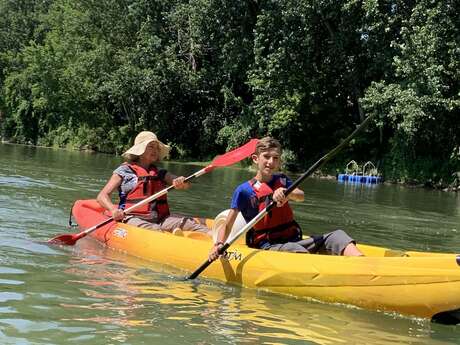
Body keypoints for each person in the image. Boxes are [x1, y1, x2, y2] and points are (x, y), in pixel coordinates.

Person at [209, 137, 363, 261]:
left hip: (292, 240)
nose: (271, 162)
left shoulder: (282, 180)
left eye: (275, 158)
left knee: (338, 236)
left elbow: (300, 196)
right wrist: (219, 244)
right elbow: (227, 225)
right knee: (296, 251)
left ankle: (363, 267)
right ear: (255, 159)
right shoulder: (243, 190)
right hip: (267, 246)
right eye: (266, 157)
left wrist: (286, 192)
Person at [97, 131, 211, 235]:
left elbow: (184, 184)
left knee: (190, 224)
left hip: (161, 219)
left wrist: (181, 181)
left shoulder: (160, 173)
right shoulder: (124, 171)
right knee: (155, 231)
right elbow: (102, 196)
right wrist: (113, 209)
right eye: (151, 147)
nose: (155, 151)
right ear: (140, 151)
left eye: (157, 148)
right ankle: (169, 236)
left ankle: (218, 241)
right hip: (132, 218)